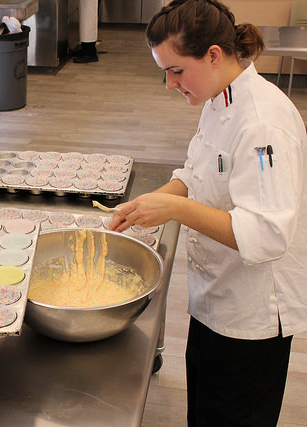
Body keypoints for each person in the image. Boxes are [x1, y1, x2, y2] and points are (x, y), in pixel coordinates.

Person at [109, 0, 307, 425]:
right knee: (204, 411)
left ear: (214, 54)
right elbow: (196, 172)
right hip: (215, 298)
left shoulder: (262, 123)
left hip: (250, 313)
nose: (168, 84)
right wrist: (147, 204)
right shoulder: (219, 98)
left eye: (176, 70)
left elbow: (268, 233)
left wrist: (176, 208)